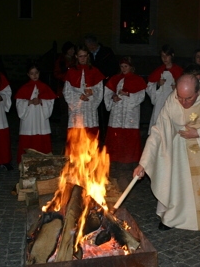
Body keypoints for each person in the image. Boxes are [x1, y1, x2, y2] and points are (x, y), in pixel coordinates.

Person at [134, 74, 200, 231]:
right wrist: (143, 163)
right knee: (178, 185)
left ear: (198, 92)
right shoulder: (172, 100)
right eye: (180, 98)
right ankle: (173, 218)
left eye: (188, 98)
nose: (183, 103)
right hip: (180, 150)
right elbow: (158, 132)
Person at [104, 57, 147, 189]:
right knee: (116, 136)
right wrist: (113, 97)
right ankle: (115, 161)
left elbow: (140, 96)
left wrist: (128, 95)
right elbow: (108, 94)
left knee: (129, 137)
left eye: (126, 67)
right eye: (122, 66)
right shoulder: (115, 79)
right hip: (117, 114)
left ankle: (128, 162)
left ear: (131, 67)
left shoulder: (137, 80)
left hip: (130, 116)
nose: (123, 69)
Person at [15, 62, 58, 163]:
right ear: (28, 74)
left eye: (36, 73)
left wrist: (41, 101)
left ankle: (44, 162)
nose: (34, 75)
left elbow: (50, 101)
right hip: (29, 119)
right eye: (31, 73)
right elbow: (19, 103)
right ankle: (27, 164)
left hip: (41, 119)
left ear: (39, 73)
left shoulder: (45, 88)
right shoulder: (23, 89)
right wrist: (29, 102)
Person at [63, 46, 105, 143]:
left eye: (85, 56)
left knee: (90, 129)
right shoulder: (71, 72)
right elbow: (67, 91)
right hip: (76, 106)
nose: (83, 59)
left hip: (90, 105)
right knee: (77, 129)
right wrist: (79, 97)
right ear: (76, 56)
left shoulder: (94, 71)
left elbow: (99, 90)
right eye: (80, 56)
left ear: (88, 56)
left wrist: (92, 92)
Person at [84, 34, 118, 145]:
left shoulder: (106, 52)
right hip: (92, 86)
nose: (88, 47)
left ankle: (105, 135)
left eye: (89, 45)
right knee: (94, 110)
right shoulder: (88, 54)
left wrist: (105, 77)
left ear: (93, 43)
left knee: (104, 110)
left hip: (105, 84)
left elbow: (113, 68)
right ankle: (95, 135)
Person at [146, 45, 184, 134]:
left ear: (172, 55)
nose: (164, 58)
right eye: (162, 55)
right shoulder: (158, 71)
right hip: (160, 104)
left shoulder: (179, 71)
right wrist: (158, 85)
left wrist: (177, 89)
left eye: (167, 55)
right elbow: (149, 87)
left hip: (174, 104)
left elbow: (186, 89)